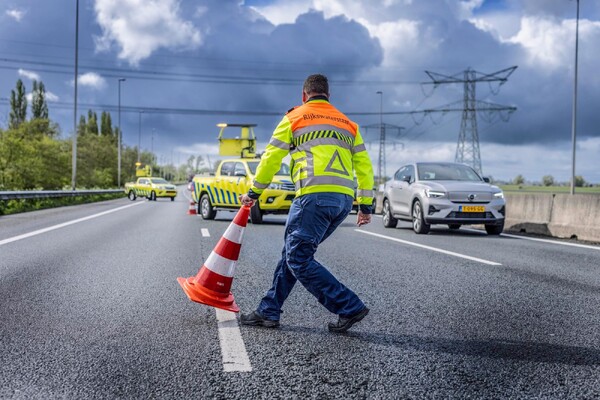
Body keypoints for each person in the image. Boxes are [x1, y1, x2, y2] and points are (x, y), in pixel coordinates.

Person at [239, 74, 375, 333]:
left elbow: (270, 159)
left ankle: (349, 306)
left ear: (304, 95)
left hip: (313, 196)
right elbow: (365, 167)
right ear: (328, 96)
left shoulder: (295, 117)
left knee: (298, 258)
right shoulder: (348, 124)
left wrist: (254, 192)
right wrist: (365, 205)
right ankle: (268, 310)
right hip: (343, 201)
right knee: (292, 254)